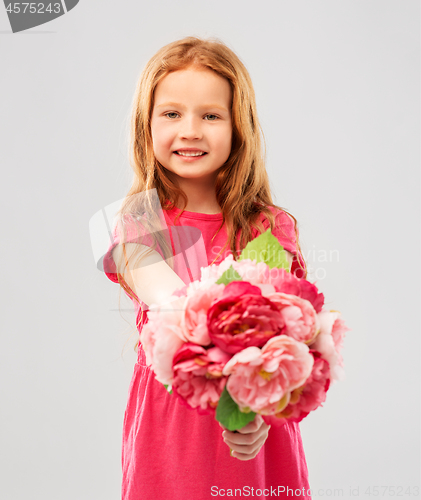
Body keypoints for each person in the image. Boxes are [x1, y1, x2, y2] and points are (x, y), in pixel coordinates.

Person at [103, 36, 311, 500]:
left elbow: (279, 336)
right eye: (172, 114)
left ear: (239, 127)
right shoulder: (138, 221)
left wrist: (257, 411)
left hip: (251, 425)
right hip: (171, 434)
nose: (191, 130)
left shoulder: (268, 226)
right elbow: (176, 308)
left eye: (211, 115)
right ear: (146, 125)